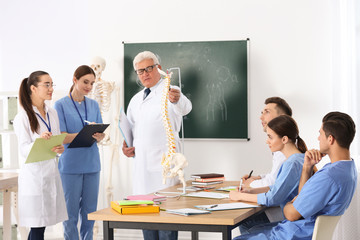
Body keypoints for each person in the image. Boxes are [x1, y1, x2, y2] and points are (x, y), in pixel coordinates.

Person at [234, 111, 357, 240]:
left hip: (296, 233)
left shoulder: (329, 176)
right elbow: (302, 195)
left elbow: (291, 214)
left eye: (320, 134)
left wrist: (289, 204)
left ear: (330, 139)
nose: (318, 138)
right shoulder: (348, 169)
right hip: (302, 230)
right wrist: (306, 167)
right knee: (252, 229)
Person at [122, 51, 192, 240]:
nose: (145, 74)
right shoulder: (136, 99)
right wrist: (126, 146)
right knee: (146, 221)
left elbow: (185, 107)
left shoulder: (170, 90)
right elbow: (130, 129)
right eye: (140, 71)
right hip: (142, 168)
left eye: (149, 68)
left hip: (165, 167)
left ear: (158, 69)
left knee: (166, 221)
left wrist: (176, 99)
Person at [230, 115, 307, 234]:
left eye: (270, 137)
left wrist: (239, 196)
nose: (267, 141)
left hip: (291, 222)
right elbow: (277, 188)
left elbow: (273, 198)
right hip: (293, 220)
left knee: (247, 223)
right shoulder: (298, 159)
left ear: (284, 139)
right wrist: (250, 191)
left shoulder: (292, 163)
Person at [13, 71, 67, 240]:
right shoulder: (22, 117)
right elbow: (23, 149)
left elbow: (58, 141)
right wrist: (39, 141)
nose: (51, 88)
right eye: (47, 84)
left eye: (52, 84)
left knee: (40, 228)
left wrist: (59, 148)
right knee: (37, 228)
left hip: (50, 174)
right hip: (34, 179)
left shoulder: (52, 113)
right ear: (34, 88)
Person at [54, 65, 105, 240]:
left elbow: (100, 131)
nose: (89, 87)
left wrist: (100, 136)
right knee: (70, 214)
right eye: (85, 82)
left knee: (90, 213)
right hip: (70, 166)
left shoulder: (93, 105)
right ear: (75, 79)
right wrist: (83, 134)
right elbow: (60, 136)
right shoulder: (60, 105)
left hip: (92, 164)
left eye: (91, 83)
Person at [243, 97, 292, 188]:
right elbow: (276, 175)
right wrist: (257, 178)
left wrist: (250, 183)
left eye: (267, 112)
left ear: (282, 118)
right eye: (262, 113)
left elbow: (273, 183)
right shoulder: (281, 145)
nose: (261, 117)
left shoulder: (284, 149)